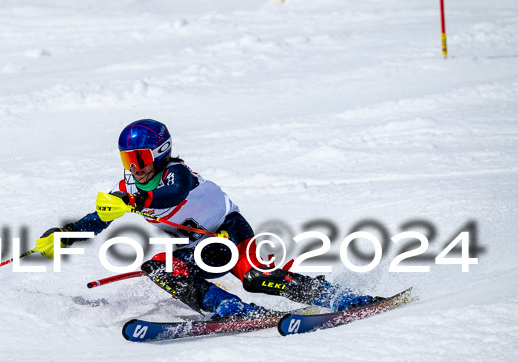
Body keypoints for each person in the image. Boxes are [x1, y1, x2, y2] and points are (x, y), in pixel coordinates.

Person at [36, 119, 375, 319]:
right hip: (198, 247)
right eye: (128, 158)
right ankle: (229, 308)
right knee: (158, 267)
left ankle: (335, 298)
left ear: (160, 152)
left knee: (257, 278)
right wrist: (65, 235)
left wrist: (132, 200)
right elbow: (99, 219)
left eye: (140, 156)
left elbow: (174, 194)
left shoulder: (177, 173)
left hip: (229, 232)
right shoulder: (126, 186)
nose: (134, 165)